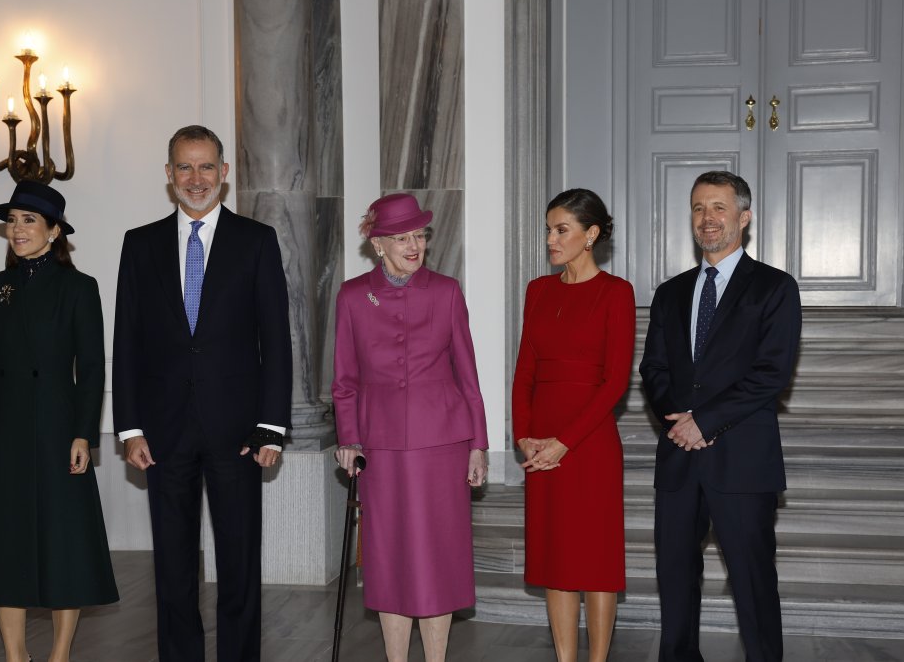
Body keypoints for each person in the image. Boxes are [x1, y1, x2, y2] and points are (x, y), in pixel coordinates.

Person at [112, 125, 293, 662]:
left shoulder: (256, 241)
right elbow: (126, 341)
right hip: (162, 433)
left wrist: (272, 425)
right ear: (169, 176)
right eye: (185, 168)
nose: (197, 179)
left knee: (239, 564)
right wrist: (129, 425)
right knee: (172, 567)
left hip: (239, 431)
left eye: (207, 167)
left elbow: (276, 342)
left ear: (225, 174)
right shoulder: (139, 244)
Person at [0, 180, 118, 662]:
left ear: (55, 231)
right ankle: (15, 656)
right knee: (6, 544)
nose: (17, 230)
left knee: (64, 542)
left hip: (59, 430)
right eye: (12, 220)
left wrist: (84, 433)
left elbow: (92, 368)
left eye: (29, 221)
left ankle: (60, 654)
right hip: (2, 434)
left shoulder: (81, 288)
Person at [640, 171, 801, 662]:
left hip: (742, 460)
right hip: (679, 460)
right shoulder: (670, 292)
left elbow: (771, 374)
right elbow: (654, 368)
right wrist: (678, 421)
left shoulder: (773, 288)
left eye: (718, 208)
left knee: (752, 583)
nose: (707, 219)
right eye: (697, 208)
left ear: (743, 218)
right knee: (675, 579)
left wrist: (703, 422)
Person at [332, 193, 489, 662]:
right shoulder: (353, 296)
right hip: (379, 447)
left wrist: (478, 444)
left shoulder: (446, 291)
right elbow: (344, 380)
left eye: (418, 234)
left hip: (442, 444)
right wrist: (347, 438)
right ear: (378, 244)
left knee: (438, 560)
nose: (413, 245)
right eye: (401, 237)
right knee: (389, 561)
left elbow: (468, 375)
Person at [511, 188, 635, 662]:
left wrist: (563, 442)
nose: (551, 239)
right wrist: (524, 435)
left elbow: (615, 382)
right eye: (549, 229)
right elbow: (524, 371)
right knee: (556, 559)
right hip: (540, 443)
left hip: (589, 442)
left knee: (595, 562)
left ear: (591, 235)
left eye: (562, 229)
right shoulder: (538, 291)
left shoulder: (616, 292)